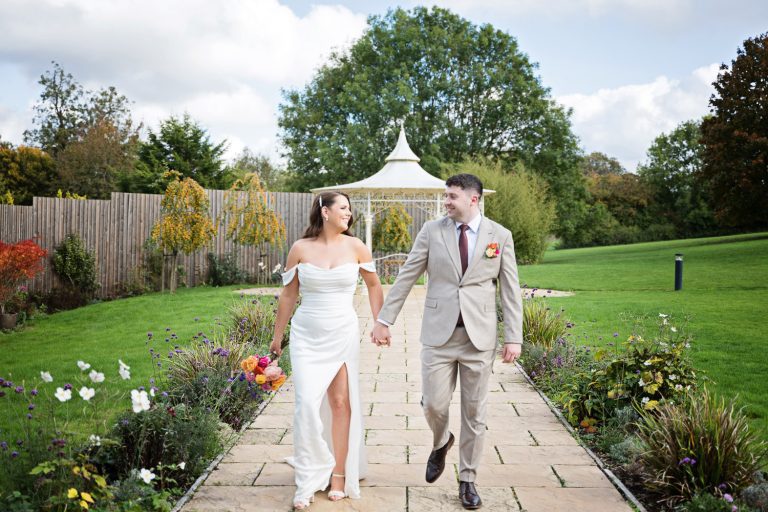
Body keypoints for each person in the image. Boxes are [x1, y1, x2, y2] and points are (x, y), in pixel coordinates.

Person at [371, 173, 523, 510]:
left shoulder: (500, 236)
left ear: (473, 199)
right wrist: (384, 319)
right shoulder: (432, 231)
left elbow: (511, 289)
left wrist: (514, 336)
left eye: (452, 196)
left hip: (478, 339)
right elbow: (408, 274)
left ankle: (467, 480)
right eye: (446, 196)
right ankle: (442, 441)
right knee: (434, 405)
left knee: (474, 413)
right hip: (438, 336)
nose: (446, 202)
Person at [269, 191, 383, 510]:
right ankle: (307, 477)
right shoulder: (300, 249)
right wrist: (278, 337)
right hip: (307, 333)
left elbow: (374, 285)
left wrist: (380, 323)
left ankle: (338, 474)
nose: (348, 213)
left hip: (342, 331)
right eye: (343, 208)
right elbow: (288, 295)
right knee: (306, 404)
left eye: (349, 209)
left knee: (340, 401)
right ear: (325, 212)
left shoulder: (357, 246)